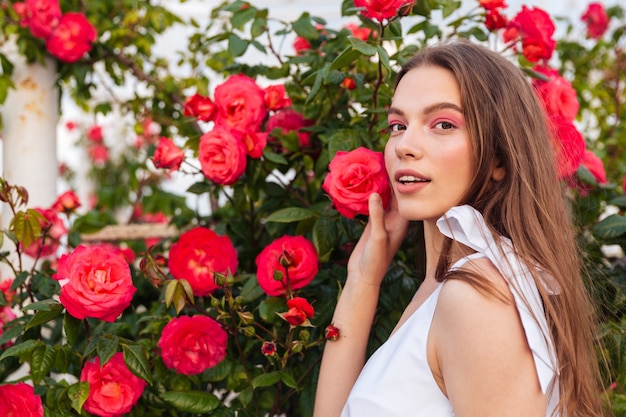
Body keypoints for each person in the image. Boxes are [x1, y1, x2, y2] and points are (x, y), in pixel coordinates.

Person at [313, 39, 605, 417]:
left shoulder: (475, 296)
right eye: (397, 125)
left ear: (500, 157)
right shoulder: (447, 284)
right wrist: (363, 279)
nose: (404, 145)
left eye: (443, 124)